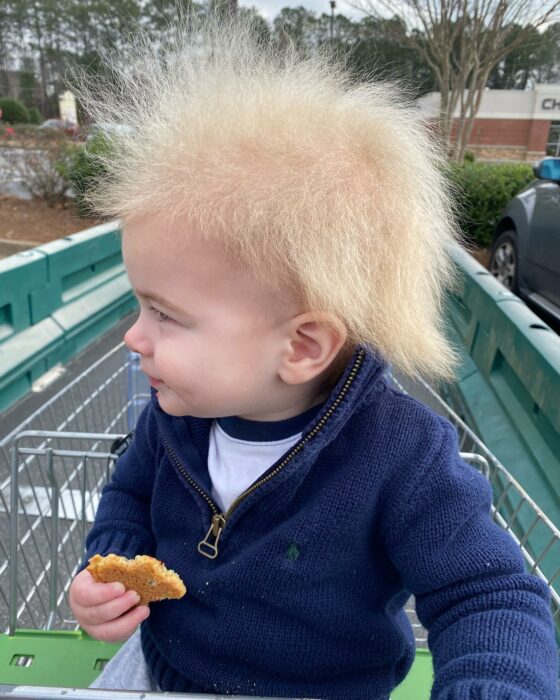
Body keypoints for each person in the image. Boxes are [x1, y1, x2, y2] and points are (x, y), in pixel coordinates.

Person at [68, 18, 557, 699]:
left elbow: (489, 593)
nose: (133, 337)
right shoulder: (172, 419)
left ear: (300, 346)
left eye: (165, 314)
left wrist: (493, 684)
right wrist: (107, 566)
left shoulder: (401, 456)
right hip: (168, 675)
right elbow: (128, 496)